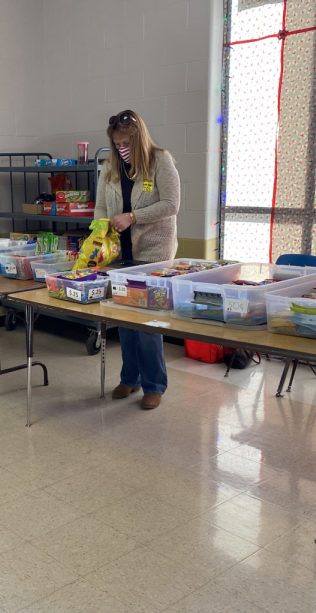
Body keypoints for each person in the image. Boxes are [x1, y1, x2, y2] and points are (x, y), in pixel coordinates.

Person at [95, 109, 180, 410]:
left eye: (126, 143)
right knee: (125, 321)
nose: (122, 149)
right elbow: (101, 208)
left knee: (146, 324)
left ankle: (154, 385)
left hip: (154, 254)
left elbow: (171, 204)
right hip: (121, 255)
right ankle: (129, 378)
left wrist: (133, 217)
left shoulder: (160, 160)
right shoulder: (110, 168)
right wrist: (99, 241)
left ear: (139, 138)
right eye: (117, 144)